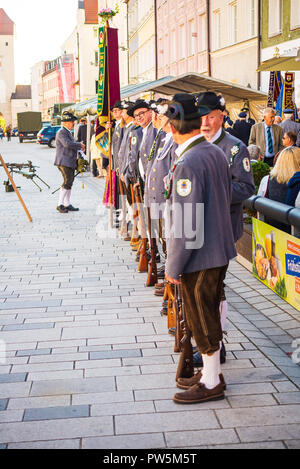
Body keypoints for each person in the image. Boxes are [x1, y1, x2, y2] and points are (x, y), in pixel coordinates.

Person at [163, 93, 237, 404]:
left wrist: (173, 266)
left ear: (172, 126)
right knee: (206, 312)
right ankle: (211, 373)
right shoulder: (213, 152)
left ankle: (211, 381)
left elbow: (186, 221)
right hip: (217, 247)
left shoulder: (188, 161)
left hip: (199, 254)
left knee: (201, 317)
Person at [258, 147, 300, 232]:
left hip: (270, 232)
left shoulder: (266, 180)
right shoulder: (297, 182)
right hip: (293, 237)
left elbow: (259, 204)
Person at [54, 111, 85, 213]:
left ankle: (66, 204)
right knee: (67, 182)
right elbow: (67, 144)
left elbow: (71, 144)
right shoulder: (61, 132)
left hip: (69, 161)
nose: (73, 123)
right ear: (66, 122)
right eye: (72, 121)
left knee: (69, 182)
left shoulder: (67, 132)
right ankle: (60, 204)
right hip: (64, 161)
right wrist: (79, 145)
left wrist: (79, 147)